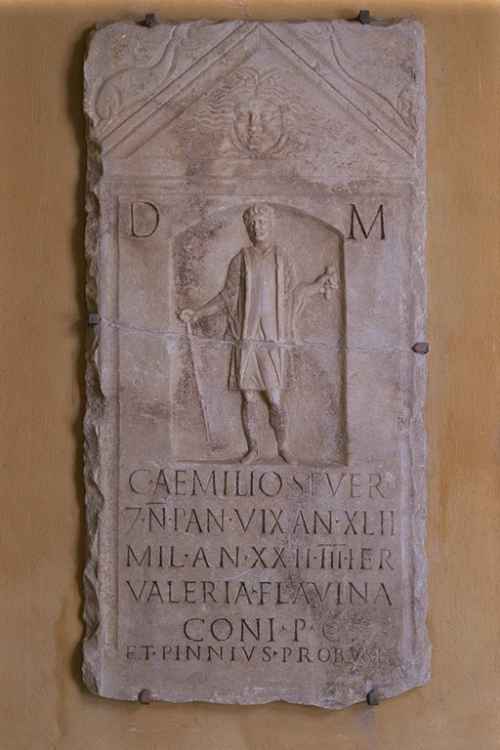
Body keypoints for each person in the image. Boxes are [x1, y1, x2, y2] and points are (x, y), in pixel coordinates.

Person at [179, 203, 337, 464]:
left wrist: (317, 287)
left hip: (273, 339)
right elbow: (227, 296)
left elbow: (292, 295)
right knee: (249, 396)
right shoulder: (241, 259)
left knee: (274, 397)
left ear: (270, 225)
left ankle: (283, 446)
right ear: (247, 228)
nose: (257, 227)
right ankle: (253, 448)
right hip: (248, 338)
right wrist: (197, 313)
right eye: (253, 224)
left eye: (262, 222)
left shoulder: (282, 259)